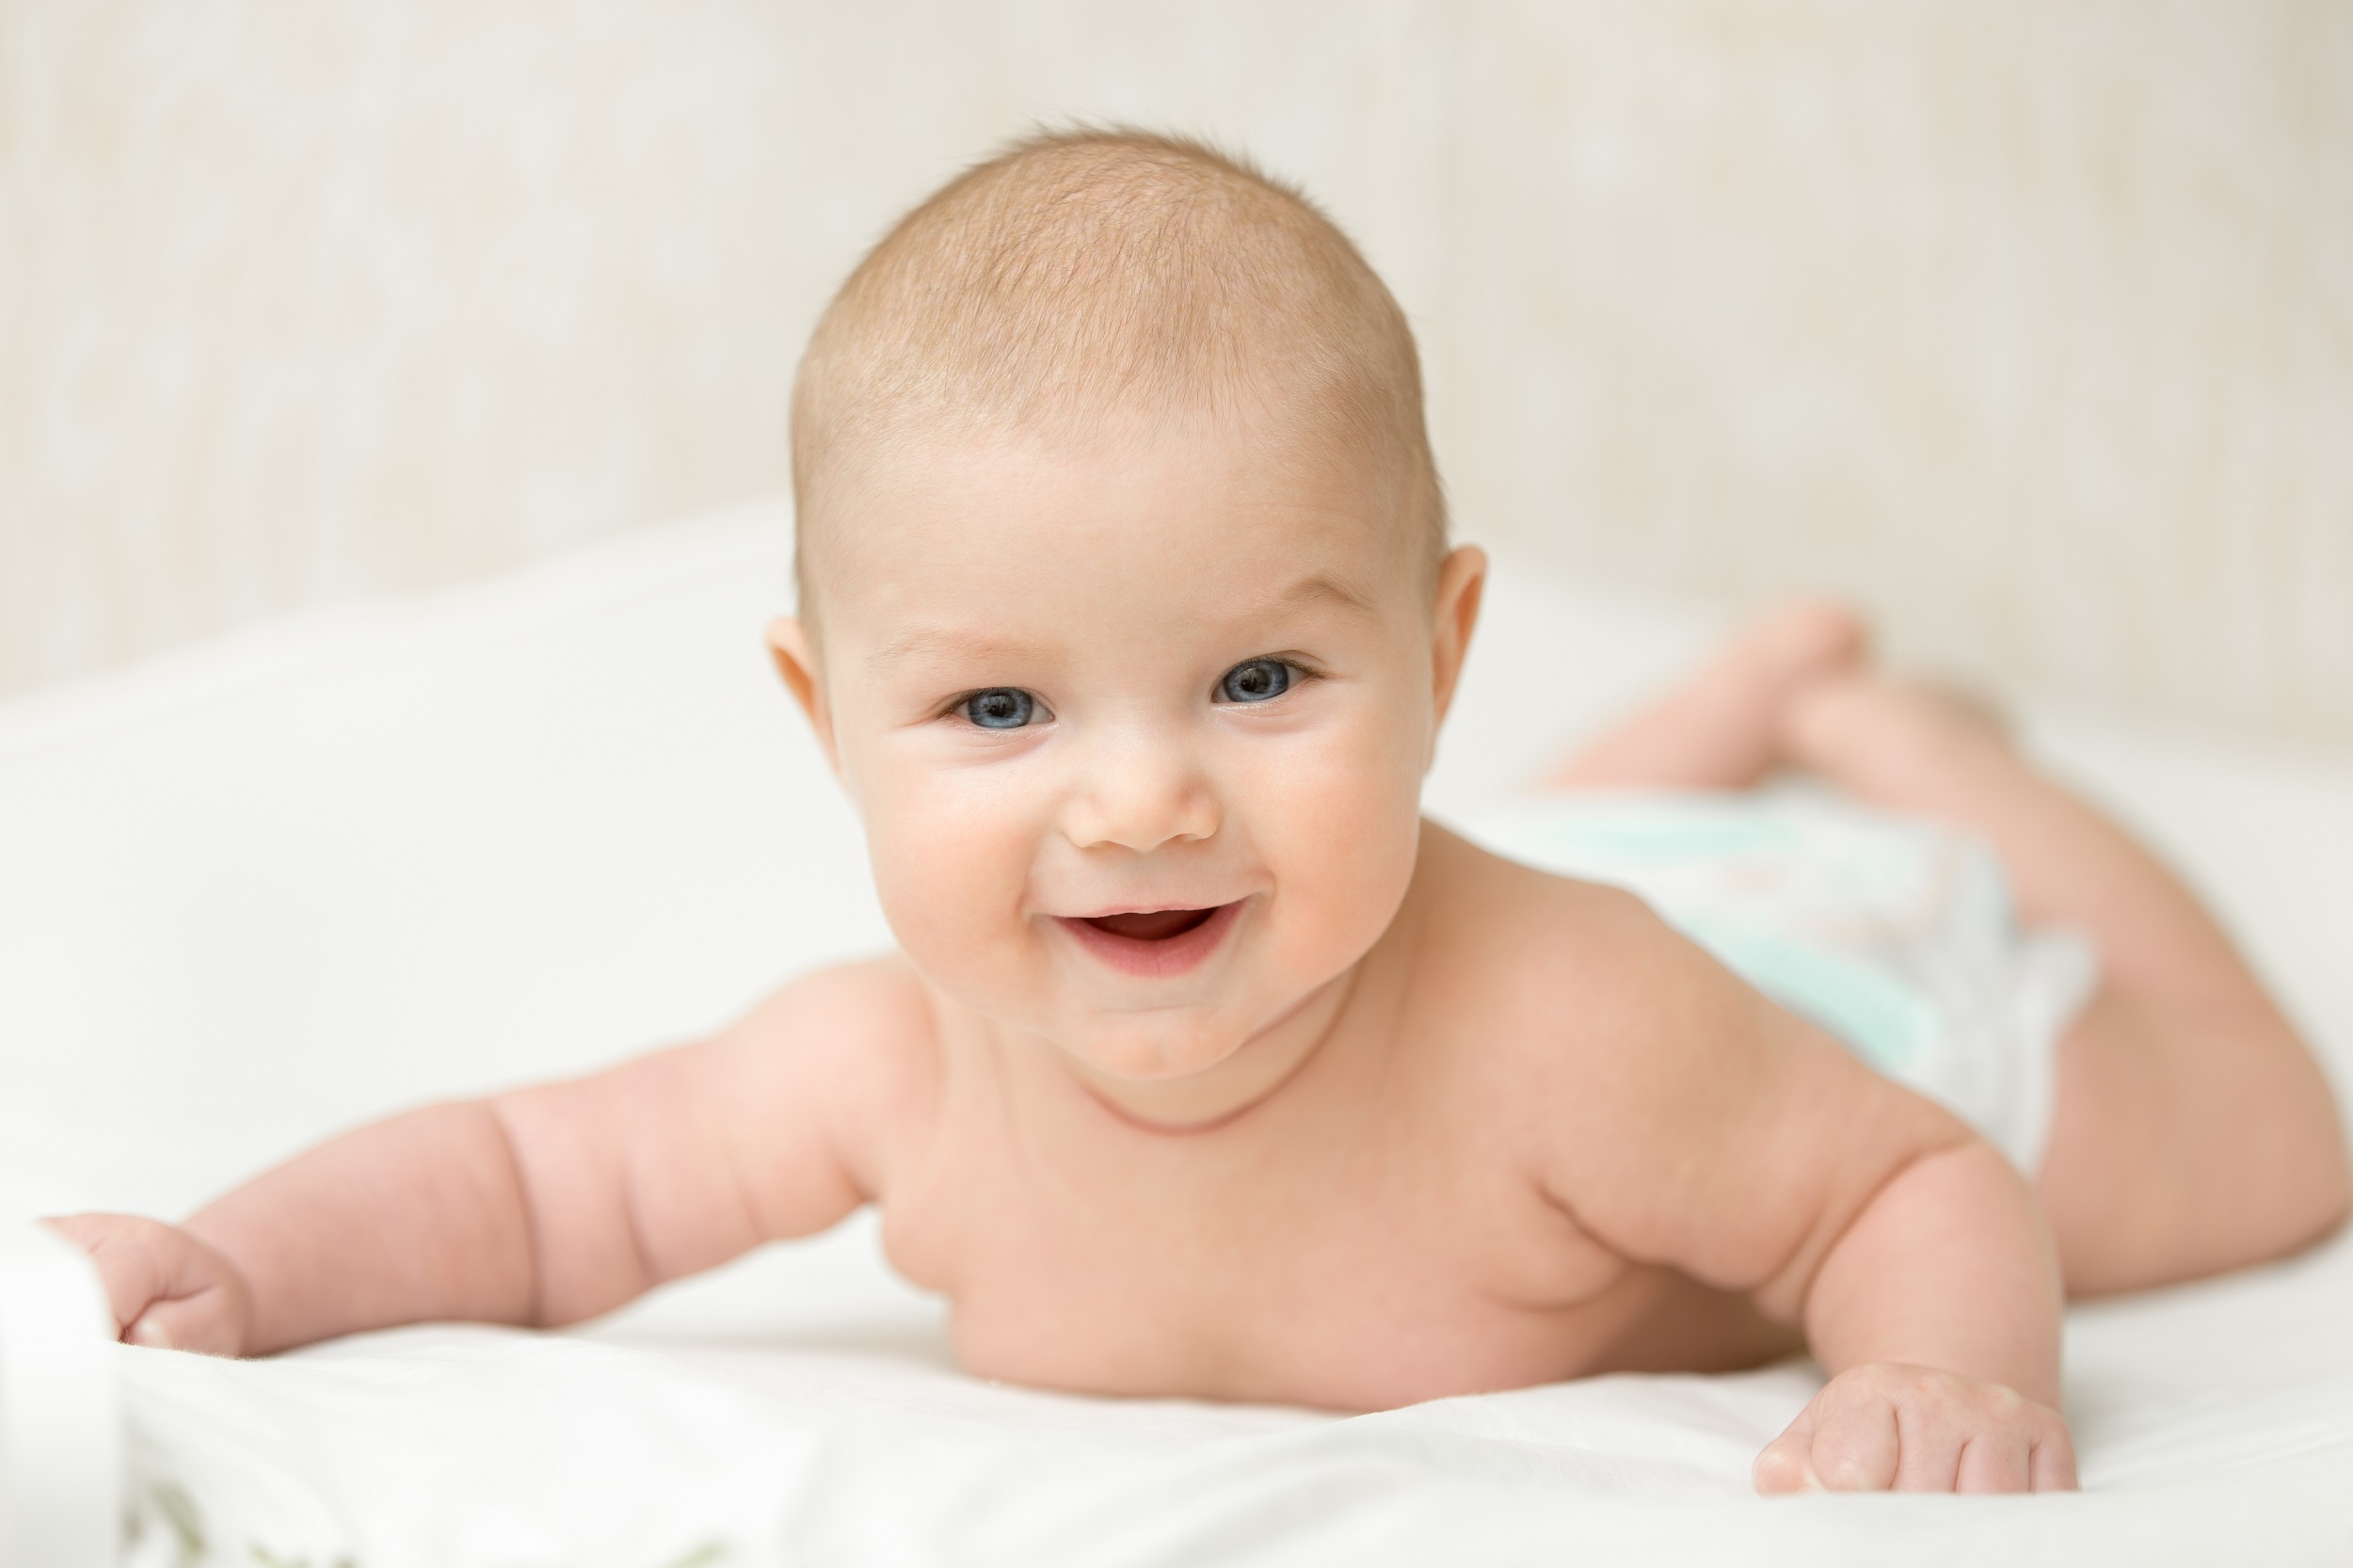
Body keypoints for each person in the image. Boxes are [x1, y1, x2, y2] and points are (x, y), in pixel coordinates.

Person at [52, 130, 2348, 1495]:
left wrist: (1940, 1359)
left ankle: (1909, 745)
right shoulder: (891, 1065)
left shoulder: (1582, 1033)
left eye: (1261, 674)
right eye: (995, 706)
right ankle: (1733, 692)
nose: (1137, 794)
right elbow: (529, 1185)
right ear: (821, 715)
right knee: (1346, 854)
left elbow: (1901, 1174)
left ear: (1434, 658)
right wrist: (248, 1259)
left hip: (1802, 965)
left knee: (2252, 1155)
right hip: (1461, 879)